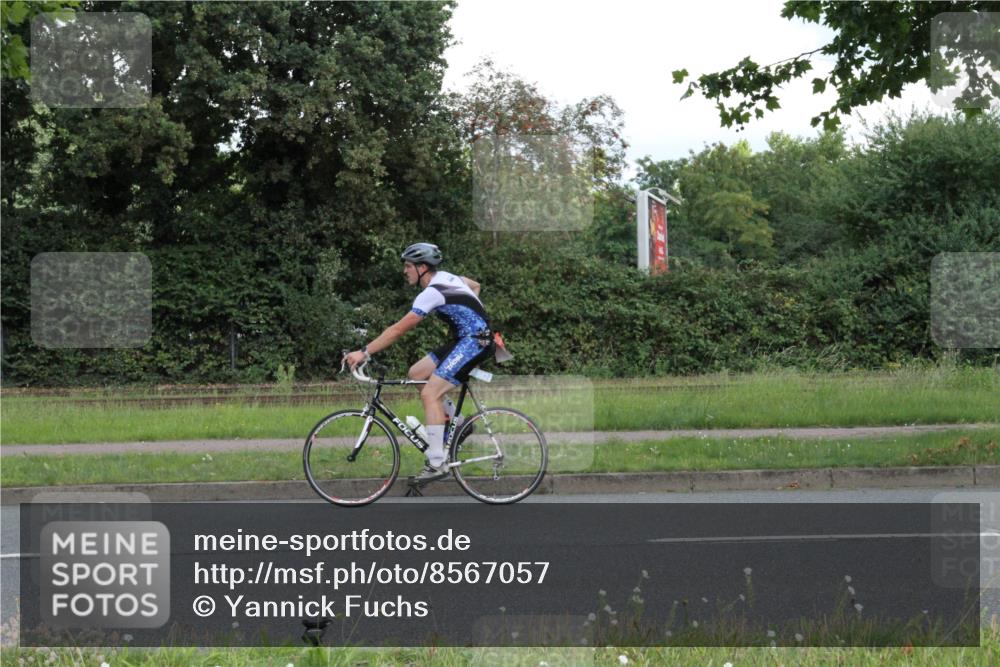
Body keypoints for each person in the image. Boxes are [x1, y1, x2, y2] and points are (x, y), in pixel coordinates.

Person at [344, 242, 493, 482]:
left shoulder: (432, 292)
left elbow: (397, 330)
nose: (405, 271)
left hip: (474, 342)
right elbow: (475, 286)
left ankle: (437, 462)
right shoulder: (449, 278)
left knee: (430, 394)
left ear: (422, 267)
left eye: (408, 266)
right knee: (417, 373)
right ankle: (461, 423)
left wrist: (364, 352)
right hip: (466, 339)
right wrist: (468, 315)